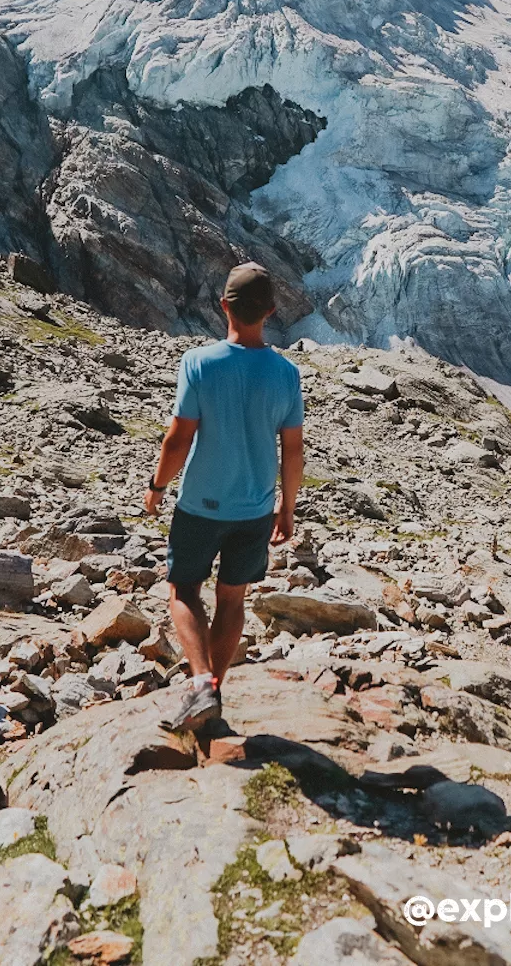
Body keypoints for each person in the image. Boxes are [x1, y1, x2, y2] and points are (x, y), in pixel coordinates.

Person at [144, 262, 303, 731]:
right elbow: (292, 451)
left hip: (200, 504)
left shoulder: (198, 362)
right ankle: (214, 690)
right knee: (233, 599)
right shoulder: (286, 373)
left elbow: (178, 439)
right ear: (271, 312)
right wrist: (287, 507)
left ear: (223, 306)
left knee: (184, 590)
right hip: (255, 509)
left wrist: (157, 487)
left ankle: (200, 685)